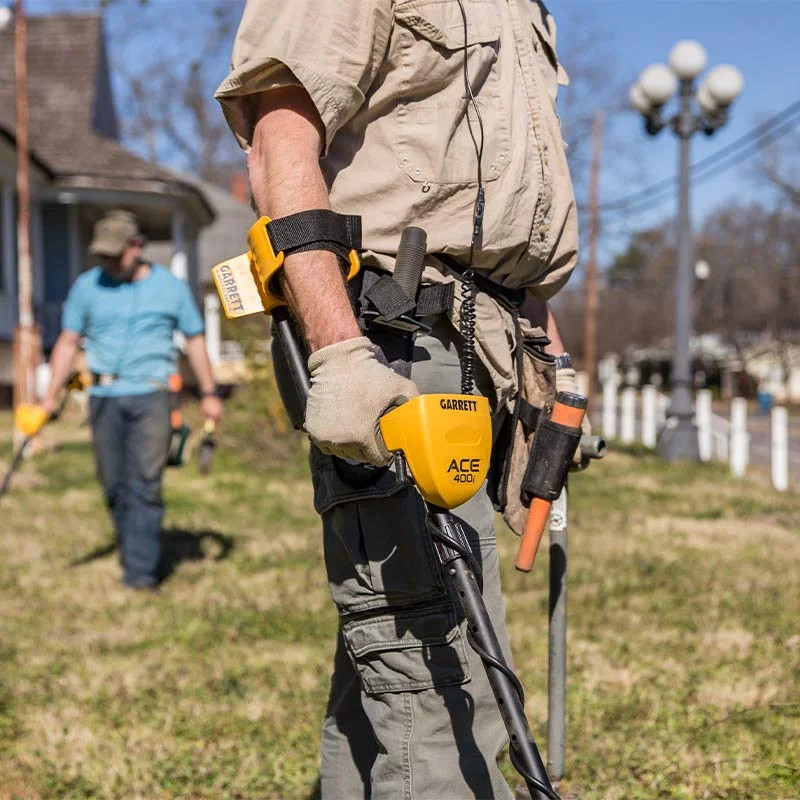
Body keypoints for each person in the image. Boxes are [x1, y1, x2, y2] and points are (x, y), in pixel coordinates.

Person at [215, 1, 580, 797]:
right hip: (391, 338)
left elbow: (510, 220)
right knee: (438, 670)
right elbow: (281, 142)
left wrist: (550, 365)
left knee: (394, 646)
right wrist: (342, 356)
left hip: (489, 343)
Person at [38, 210, 224, 590]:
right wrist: (48, 398)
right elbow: (68, 343)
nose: (106, 262)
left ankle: (139, 572)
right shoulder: (87, 287)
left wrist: (209, 393)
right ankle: (133, 544)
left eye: (114, 254)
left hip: (152, 394)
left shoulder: (170, 289)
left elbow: (195, 340)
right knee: (113, 485)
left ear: (137, 247)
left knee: (144, 482)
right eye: (101, 255)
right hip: (103, 396)